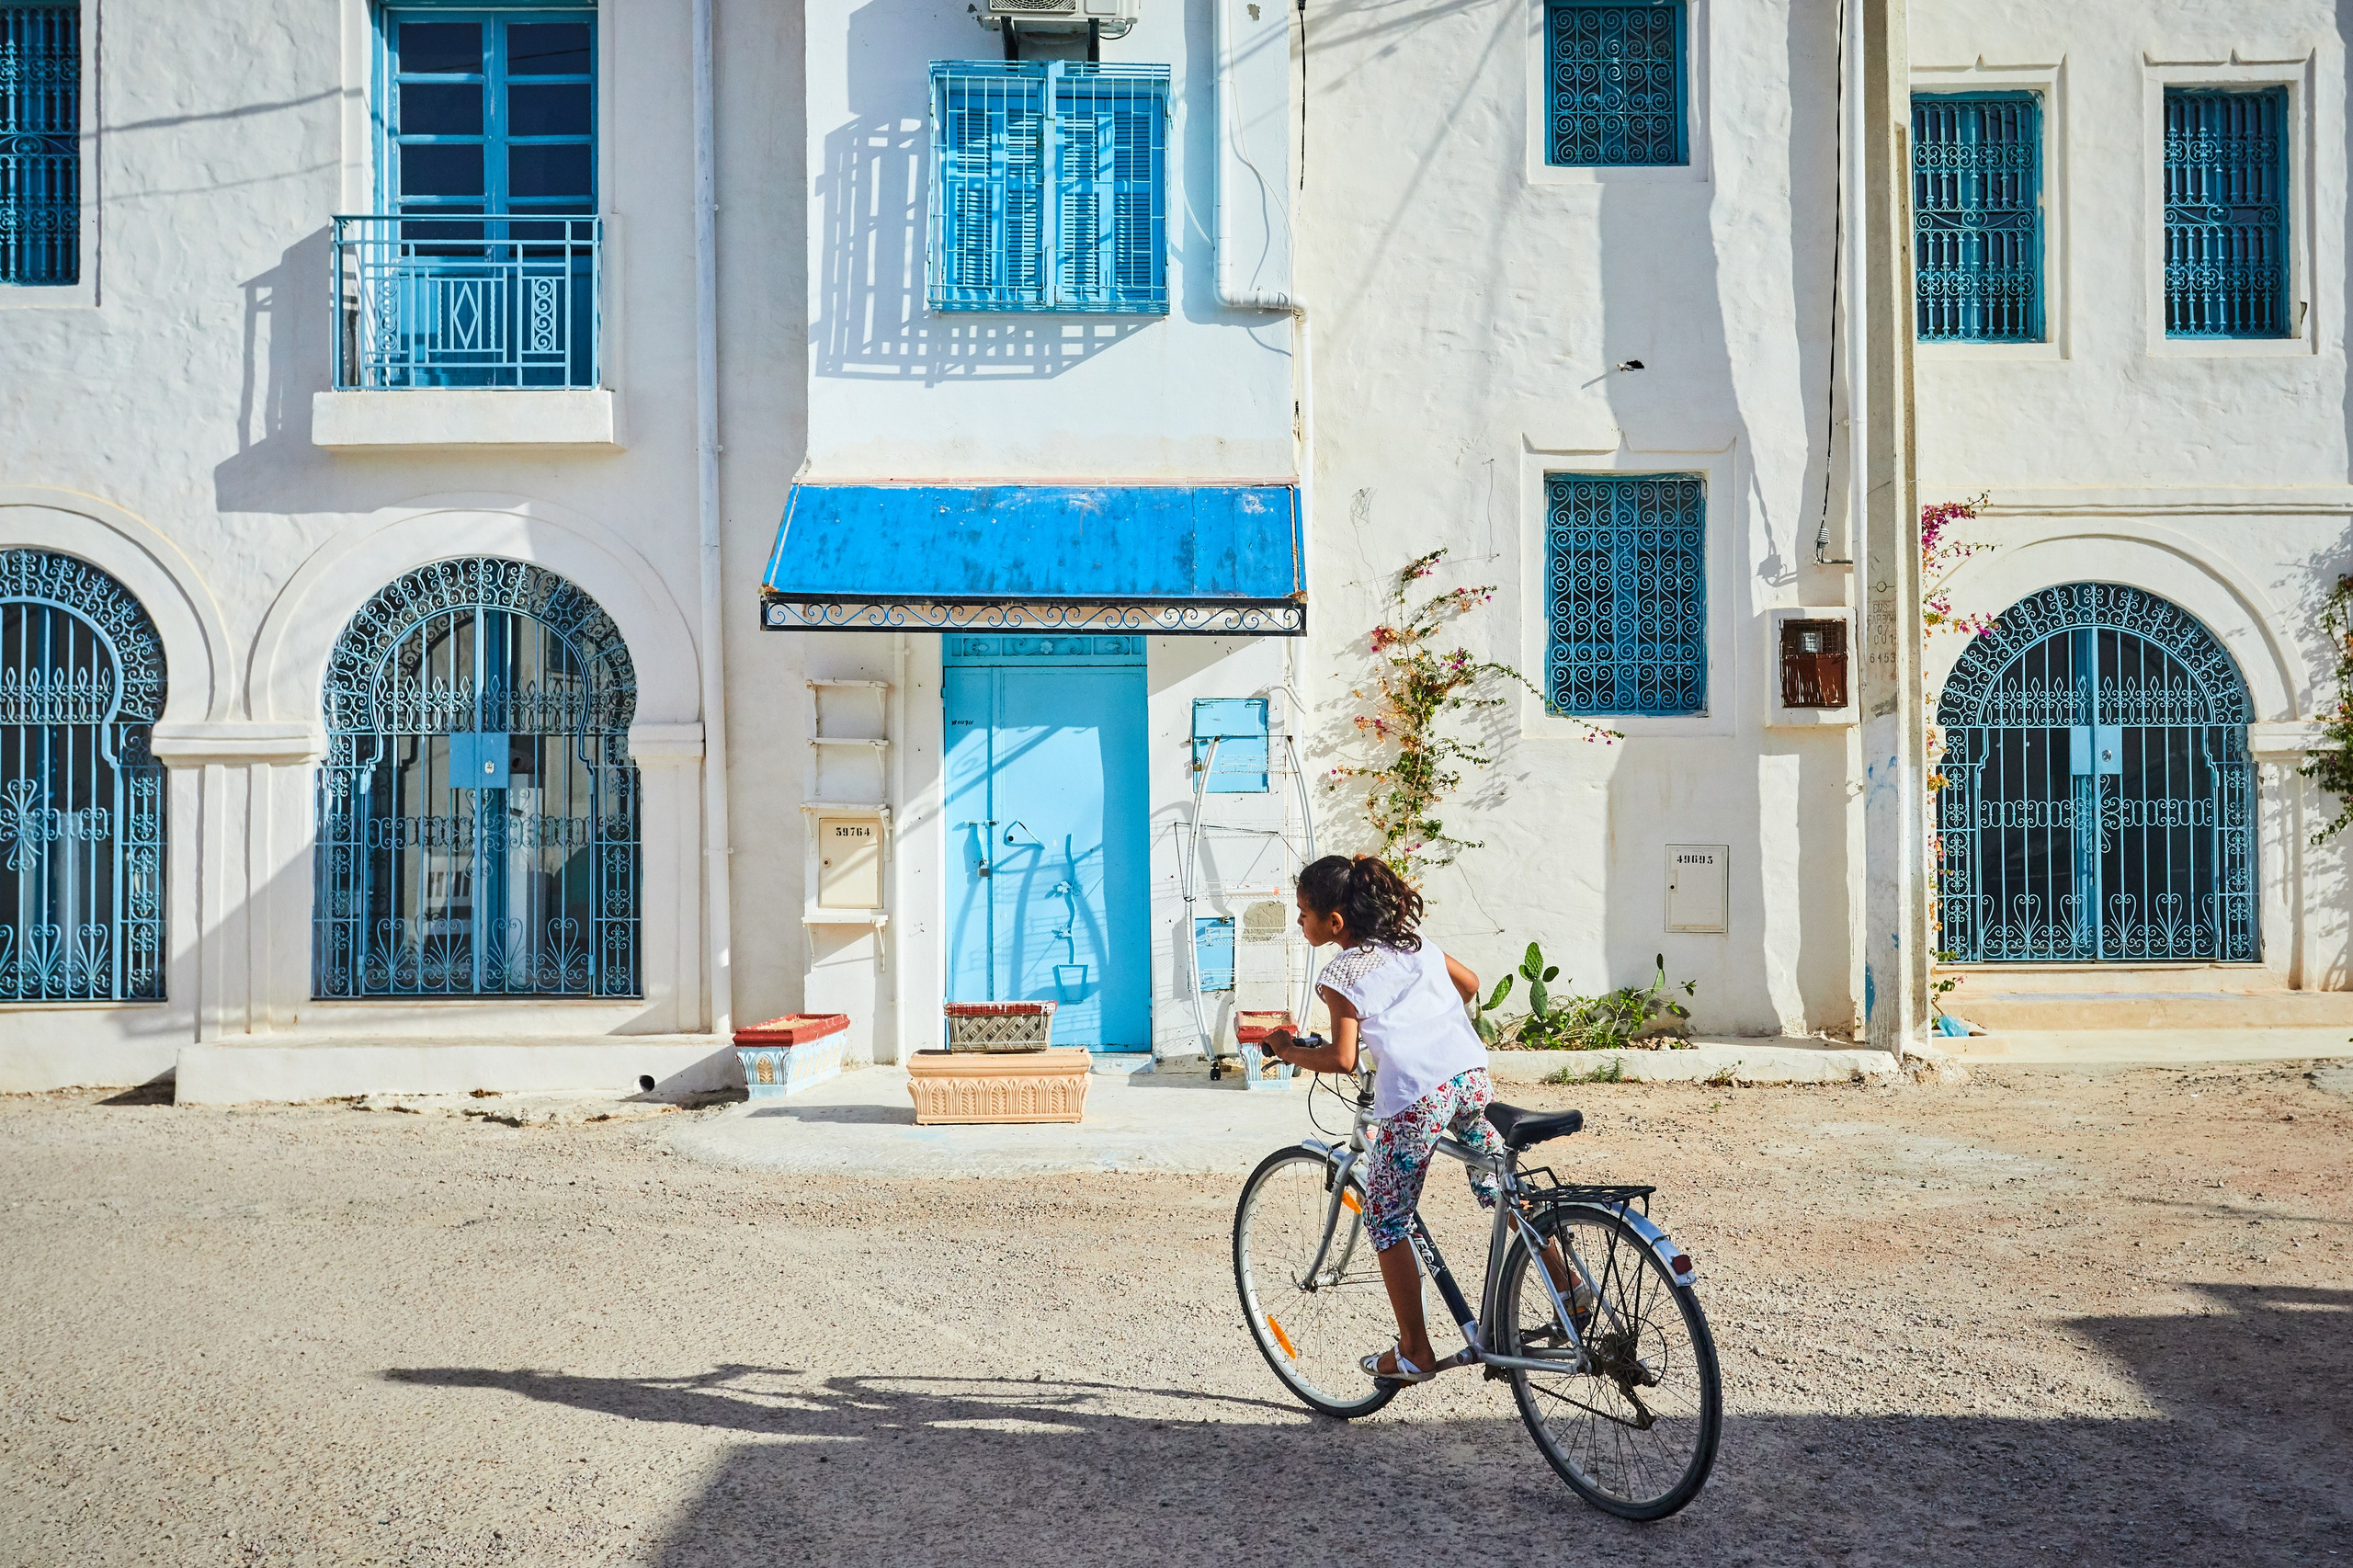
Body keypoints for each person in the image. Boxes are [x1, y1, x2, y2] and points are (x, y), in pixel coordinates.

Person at [1257, 853, 1506, 1383]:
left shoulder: (1340, 973)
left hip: (1418, 1096)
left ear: (1335, 923)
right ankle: (1569, 1289)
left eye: (1304, 913)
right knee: (1497, 1187)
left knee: (1386, 1217)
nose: (1299, 921)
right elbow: (1469, 984)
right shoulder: (1412, 943)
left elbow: (1343, 1059)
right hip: (1469, 1076)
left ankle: (1415, 1350)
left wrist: (1287, 1049)